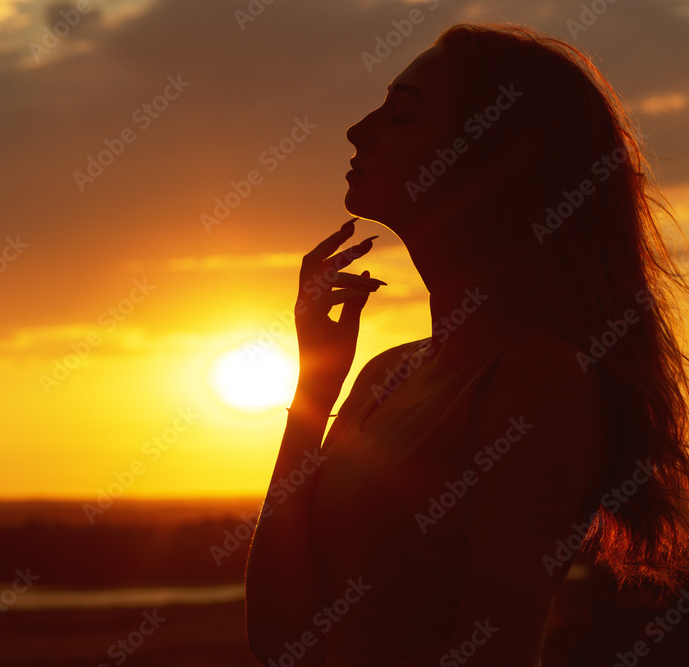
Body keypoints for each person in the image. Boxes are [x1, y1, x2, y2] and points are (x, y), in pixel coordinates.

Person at [245, 22, 689, 667]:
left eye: (402, 115)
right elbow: (282, 639)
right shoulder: (383, 377)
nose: (357, 129)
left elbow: (493, 652)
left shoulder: (536, 374)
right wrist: (314, 390)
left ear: (489, 157)